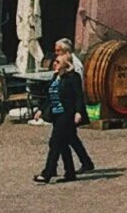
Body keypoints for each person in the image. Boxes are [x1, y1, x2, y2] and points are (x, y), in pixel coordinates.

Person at [35, 39, 93, 184]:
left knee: (55, 142)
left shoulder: (72, 77)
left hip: (67, 114)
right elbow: (49, 96)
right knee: (64, 143)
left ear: (65, 65)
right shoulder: (56, 77)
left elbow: (79, 95)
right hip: (56, 114)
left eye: (57, 61)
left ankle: (47, 173)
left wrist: (79, 112)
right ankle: (70, 172)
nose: (54, 63)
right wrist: (41, 110)